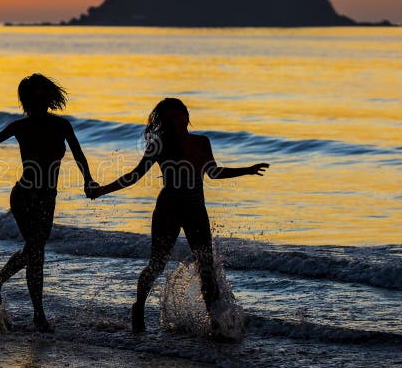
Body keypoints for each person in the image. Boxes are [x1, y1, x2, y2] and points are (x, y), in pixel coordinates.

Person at [87, 98, 268, 336]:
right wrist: (102, 190)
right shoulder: (159, 144)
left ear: (186, 115)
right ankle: (138, 307)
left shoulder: (202, 142)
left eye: (179, 115)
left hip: (196, 210)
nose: (176, 121)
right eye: (170, 117)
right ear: (163, 122)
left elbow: (213, 173)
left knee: (207, 268)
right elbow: (136, 175)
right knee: (157, 264)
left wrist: (247, 170)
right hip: (168, 210)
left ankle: (216, 325)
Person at [0, 74, 96, 332]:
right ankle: (39, 315)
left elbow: (79, 155)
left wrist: (88, 180)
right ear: (26, 100)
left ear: (48, 97)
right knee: (36, 252)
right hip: (24, 196)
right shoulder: (19, 127)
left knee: (34, 251)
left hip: (48, 198)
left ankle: (0, 279)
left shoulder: (62, 126)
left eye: (42, 95)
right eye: (33, 97)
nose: (39, 100)